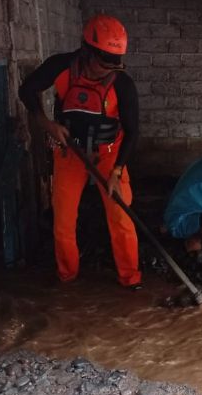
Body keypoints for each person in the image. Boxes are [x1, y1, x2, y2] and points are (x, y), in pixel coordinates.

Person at [19, 15, 142, 289]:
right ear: (86, 50)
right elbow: (26, 89)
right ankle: (67, 277)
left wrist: (117, 172)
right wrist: (45, 123)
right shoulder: (61, 66)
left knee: (121, 219)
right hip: (70, 152)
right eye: (102, 63)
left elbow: (133, 133)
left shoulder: (122, 84)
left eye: (114, 64)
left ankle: (130, 278)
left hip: (109, 154)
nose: (107, 70)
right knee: (63, 220)